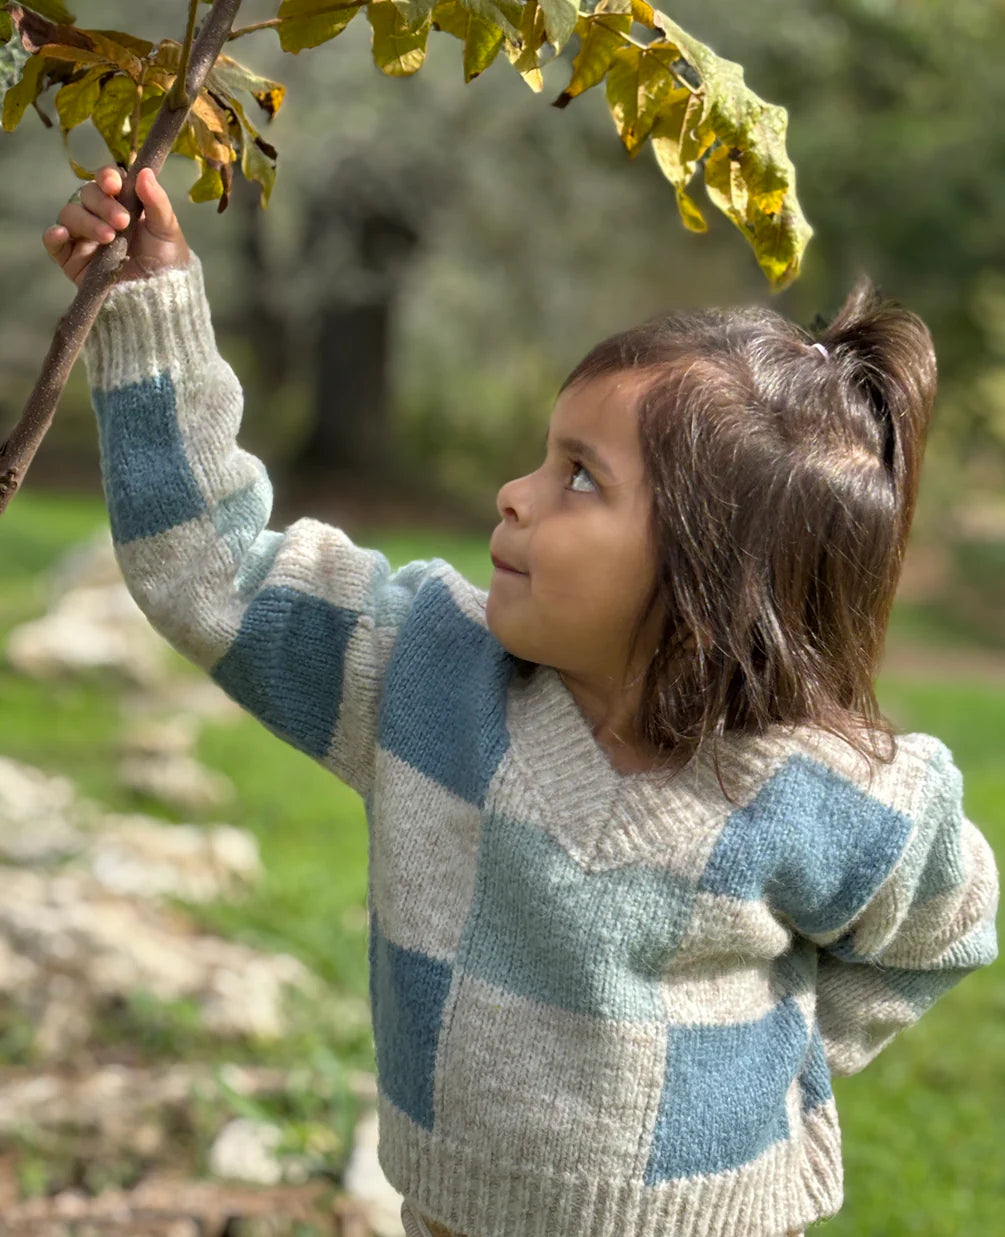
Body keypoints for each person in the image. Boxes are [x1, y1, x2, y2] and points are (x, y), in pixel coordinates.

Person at [45, 166, 998, 1237]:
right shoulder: (424, 676)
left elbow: (947, 923)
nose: (515, 492)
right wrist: (150, 303)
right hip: (456, 1212)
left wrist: (781, 1062)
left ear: (710, 578)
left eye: (579, 477)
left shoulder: (820, 786)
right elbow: (212, 568)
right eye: (544, 458)